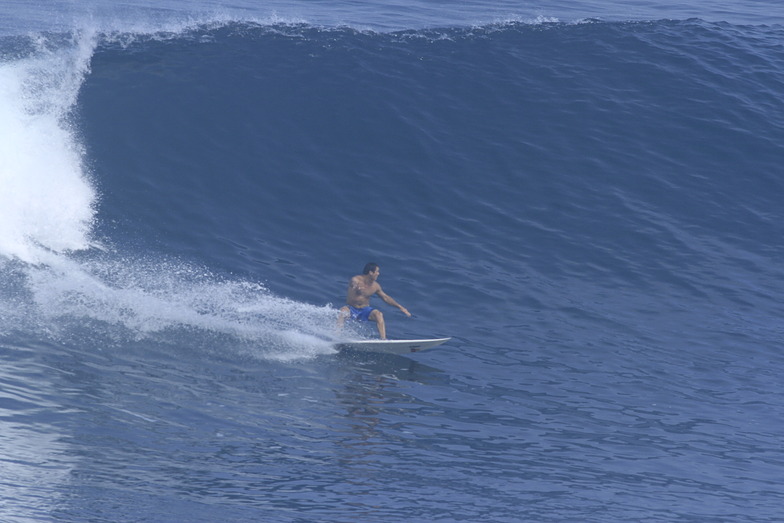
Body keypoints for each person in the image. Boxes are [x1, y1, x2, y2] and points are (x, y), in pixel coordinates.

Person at [337, 262, 411, 339]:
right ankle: (337, 336)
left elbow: (385, 297)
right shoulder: (356, 279)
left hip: (365, 311)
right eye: (377, 271)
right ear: (371, 272)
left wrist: (400, 307)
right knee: (343, 311)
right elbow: (353, 283)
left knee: (378, 314)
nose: (378, 274)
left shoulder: (375, 286)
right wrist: (355, 286)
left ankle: (383, 339)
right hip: (351, 309)